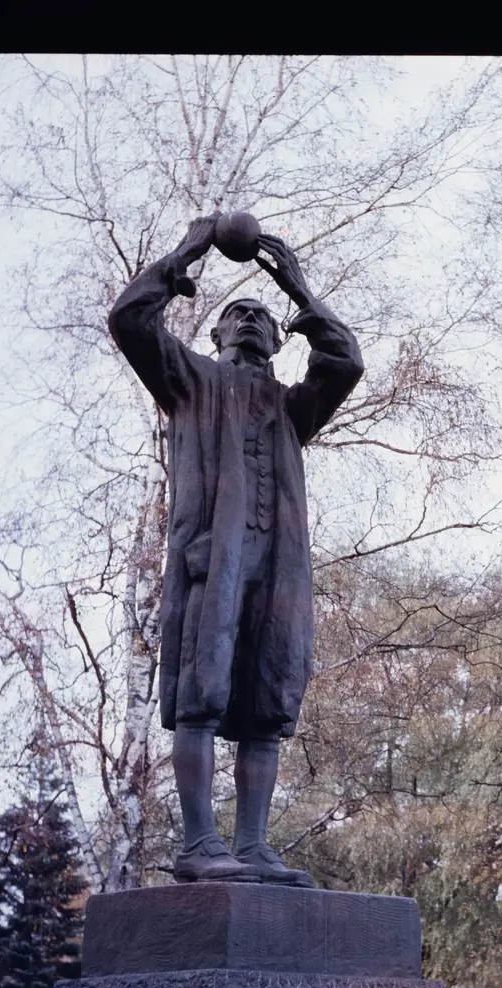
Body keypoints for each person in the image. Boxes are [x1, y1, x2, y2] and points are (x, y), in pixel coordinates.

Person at [109, 217, 364, 886]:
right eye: (236, 313)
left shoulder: (292, 407)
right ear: (216, 335)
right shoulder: (188, 380)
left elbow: (346, 363)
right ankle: (199, 843)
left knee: (267, 702)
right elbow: (129, 319)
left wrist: (298, 289)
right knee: (202, 693)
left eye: (262, 316)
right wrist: (189, 250)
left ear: (280, 339)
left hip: (277, 569)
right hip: (212, 564)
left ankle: (251, 845)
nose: (249, 320)